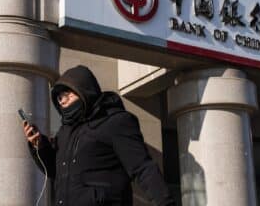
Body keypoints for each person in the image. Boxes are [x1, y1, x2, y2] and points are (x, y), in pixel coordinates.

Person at [22, 65, 175, 206]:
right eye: (60, 97)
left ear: (84, 90)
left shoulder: (115, 122)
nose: (63, 100)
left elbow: (142, 168)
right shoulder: (65, 132)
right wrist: (39, 146)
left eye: (68, 94)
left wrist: (166, 203)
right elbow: (55, 171)